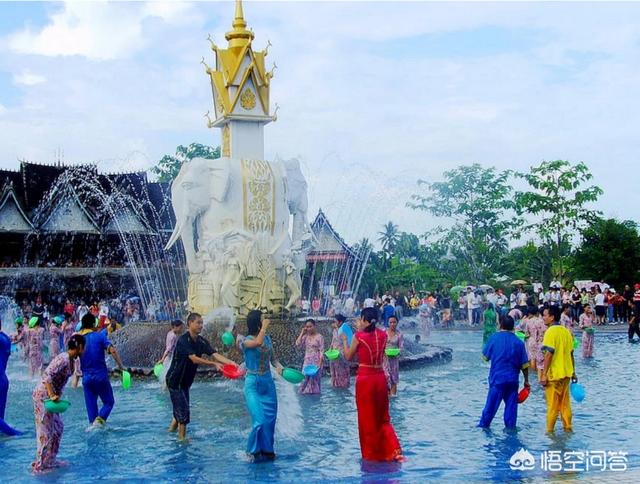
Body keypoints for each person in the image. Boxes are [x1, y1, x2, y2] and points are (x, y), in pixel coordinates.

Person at [342, 307, 403, 462]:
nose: (357, 322)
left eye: (359, 319)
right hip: (380, 378)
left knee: (367, 420)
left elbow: (348, 356)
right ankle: (395, 451)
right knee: (383, 418)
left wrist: (344, 341)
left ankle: (373, 455)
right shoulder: (383, 335)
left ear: (365, 320)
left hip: (365, 379)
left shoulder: (359, 336)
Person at [165, 313, 236, 440]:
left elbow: (214, 354)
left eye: (202, 323)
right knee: (183, 409)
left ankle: (170, 432)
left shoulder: (201, 341)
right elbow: (193, 359)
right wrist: (213, 364)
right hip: (175, 380)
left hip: (185, 381)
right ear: (190, 323)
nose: (201, 325)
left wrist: (231, 363)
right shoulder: (183, 340)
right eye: (198, 323)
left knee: (181, 407)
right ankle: (181, 439)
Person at [32, 334, 86, 473]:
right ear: (79, 347)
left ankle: (50, 459)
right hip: (43, 396)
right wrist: (51, 395)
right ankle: (40, 466)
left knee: (57, 428)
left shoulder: (72, 360)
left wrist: (58, 396)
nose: (85, 349)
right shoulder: (63, 359)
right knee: (45, 431)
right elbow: (47, 375)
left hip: (53, 398)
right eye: (84, 347)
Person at [241, 310, 284, 460]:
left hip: (268, 384)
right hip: (252, 384)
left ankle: (267, 450)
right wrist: (264, 327)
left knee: (270, 421)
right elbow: (257, 343)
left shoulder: (267, 339)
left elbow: (274, 359)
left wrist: (280, 367)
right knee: (259, 420)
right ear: (257, 322)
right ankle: (251, 451)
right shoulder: (245, 341)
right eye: (262, 319)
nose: (265, 320)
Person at [478, 315, 529, 429]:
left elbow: (485, 358)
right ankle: (510, 429)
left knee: (490, 409)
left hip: (497, 380)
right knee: (511, 411)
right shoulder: (519, 342)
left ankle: (483, 427)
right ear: (513, 326)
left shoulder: (494, 338)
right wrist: (526, 381)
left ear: (500, 324)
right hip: (513, 380)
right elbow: (524, 365)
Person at [78, 313, 125, 426]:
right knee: (109, 402)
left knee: (91, 412)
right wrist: (121, 367)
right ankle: (100, 419)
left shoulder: (78, 340)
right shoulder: (99, 336)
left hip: (86, 379)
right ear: (93, 324)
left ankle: (94, 425)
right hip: (100, 376)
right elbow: (112, 350)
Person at [540, 305, 578, 433]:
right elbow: (571, 354)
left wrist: (544, 374)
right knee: (565, 404)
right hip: (567, 373)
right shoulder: (566, 331)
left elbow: (549, 353)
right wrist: (573, 372)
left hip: (554, 374)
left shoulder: (550, 332)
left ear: (552, 317)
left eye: (545, 315)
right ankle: (568, 428)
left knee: (552, 406)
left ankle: (550, 431)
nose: (543, 318)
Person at [295, 319, 324, 395]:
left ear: (314, 326)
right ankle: (304, 397)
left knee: (314, 381)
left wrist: (320, 363)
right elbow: (297, 344)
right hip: (307, 361)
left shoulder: (319, 337)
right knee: (304, 379)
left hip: (316, 362)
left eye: (310, 326)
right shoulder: (305, 337)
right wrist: (302, 333)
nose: (309, 328)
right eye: (307, 327)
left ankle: (314, 401)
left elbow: (321, 351)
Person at [383, 316, 403, 396]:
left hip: (394, 360)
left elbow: (401, 347)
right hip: (384, 360)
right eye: (390, 322)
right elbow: (380, 343)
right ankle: (386, 397)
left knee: (394, 380)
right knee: (385, 378)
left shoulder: (399, 334)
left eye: (394, 322)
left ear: (397, 323)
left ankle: (393, 397)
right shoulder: (384, 332)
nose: (392, 324)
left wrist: (398, 352)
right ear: (388, 323)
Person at [329, 315, 350, 388]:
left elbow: (347, 342)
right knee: (334, 369)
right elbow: (333, 340)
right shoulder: (334, 330)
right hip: (334, 353)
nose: (334, 323)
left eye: (335, 322)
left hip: (341, 353)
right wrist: (330, 348)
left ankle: (343, 385)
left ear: (340, 322)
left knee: (342, 370)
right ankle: (335, 384)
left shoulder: (344, 330)